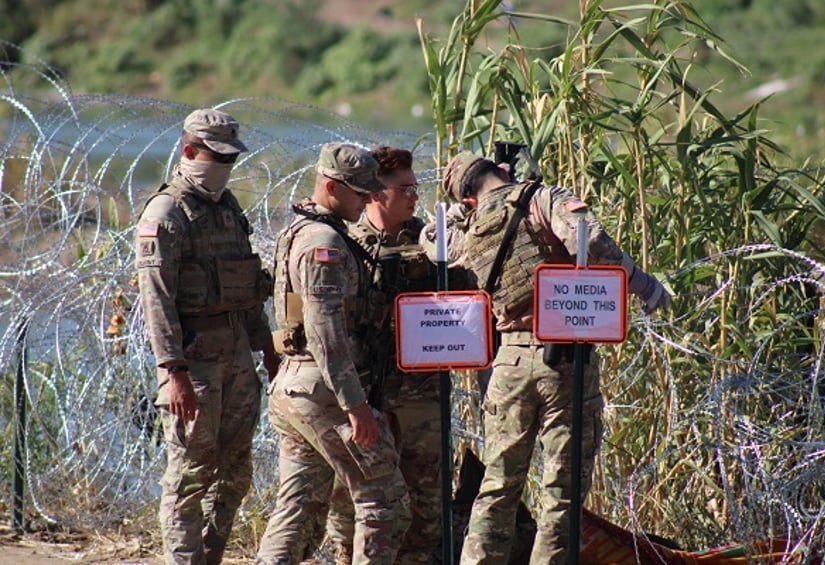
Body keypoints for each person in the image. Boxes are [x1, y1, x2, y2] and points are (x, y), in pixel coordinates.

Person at [440, 151, 671, 564]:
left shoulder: (469, 226)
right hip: (564, 359)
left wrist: (457, 218)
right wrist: (643, 285)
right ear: (503, 172)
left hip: (509, 363)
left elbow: (436, 249)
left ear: (468, 198)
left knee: (497, 486)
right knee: (561, 492)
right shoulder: (541, 198)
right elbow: (593, 242)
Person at [135, 108, 280, 565]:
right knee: (190, 476)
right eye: (214, 156)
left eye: (230, 158)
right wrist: (172, 372)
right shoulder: (167, 212)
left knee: (236, 473)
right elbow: (156, 300)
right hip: (194, 365)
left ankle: (210, 557)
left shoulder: (226, 207)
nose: (222, 166)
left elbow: (247, 286)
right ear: (189, 150)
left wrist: (268, 349)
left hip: (237, 356)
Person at [255, 143, 410, 565]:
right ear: (330, 186)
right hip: (324, 389)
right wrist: (355, 405)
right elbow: (325, 332)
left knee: (298, 508)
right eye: (359, 193)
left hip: (296, 386)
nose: (366, 201)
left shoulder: (300, 232)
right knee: (385, 502)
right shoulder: (325, 243)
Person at [308, 146, 461, 564]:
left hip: (420, 395)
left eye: (416, 187)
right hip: (366, 394)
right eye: (404, 188)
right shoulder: (346, 243)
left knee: (426, 501)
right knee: (355, 504)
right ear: (375, 193)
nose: (413, 196)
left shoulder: (433, 242)